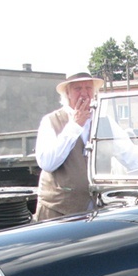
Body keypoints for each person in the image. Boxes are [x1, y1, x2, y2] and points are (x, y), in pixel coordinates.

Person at [35, 72, 104, 221]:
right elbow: (47, 163)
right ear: (67, 93)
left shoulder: (102, 121)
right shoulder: (51, 121)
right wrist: (75, 126)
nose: (84, 93)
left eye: (88, 88)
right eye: (78, 89)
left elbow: (129, 153)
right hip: (56, 211)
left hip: (93, 212)